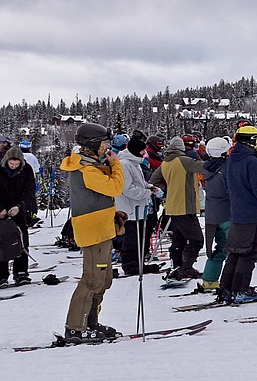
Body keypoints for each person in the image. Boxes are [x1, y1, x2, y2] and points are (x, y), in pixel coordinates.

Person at [60, 123, 124, 343]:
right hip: (94, 230)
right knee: (92, 280)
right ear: (93, 144)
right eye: (104, 143)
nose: (107, 147)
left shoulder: (92, 164)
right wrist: (117, 165)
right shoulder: (86, 169)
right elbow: (115, 187)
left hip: (102, 227)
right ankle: (76, 327)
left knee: (104, 280)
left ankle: (91, 321)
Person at [219, 125, 257, 304]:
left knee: (235, 252)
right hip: (252, 214)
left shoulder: (230, 159)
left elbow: (227, 184)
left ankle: (226, 289)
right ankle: (241, 289)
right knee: (248, 253)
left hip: (237, 211)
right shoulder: (252, 161)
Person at [150, 136, 205, 280]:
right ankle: (186, 267)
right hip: (186, 206)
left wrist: (167, 190)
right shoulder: (184, 160)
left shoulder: (165, 163)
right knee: (196, 240)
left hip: (172, 206)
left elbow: (154, 180)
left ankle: (177, 265)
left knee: (178, 240)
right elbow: (204, 167)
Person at [114, 136, 161, 277]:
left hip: (139, 208)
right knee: (132, 239)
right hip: (129, 209)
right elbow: (127, 188)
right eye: (142, 151)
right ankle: (129, 265)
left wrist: (150, 187)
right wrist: (146, 193)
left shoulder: (134, 163)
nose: (144, 154)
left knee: (141, 237)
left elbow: (139, 182)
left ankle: (139, 263)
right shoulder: (124, 164)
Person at [0, 145, 37, 286]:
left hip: (18, 208)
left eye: (16, 164)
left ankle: (21, 272)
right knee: (2, 241)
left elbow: (29, 192)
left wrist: (20, 206)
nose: (14, 166)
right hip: (2, 208)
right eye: (11, 164)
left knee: (21, 239)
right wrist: (1, 209)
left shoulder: (26, 170)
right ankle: (1, 275)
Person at [199, 136, 232, 294]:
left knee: (219, 248)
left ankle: (210, 278)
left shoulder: (207, 167)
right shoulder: (226, 169)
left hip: (212, 212)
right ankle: (231, 280)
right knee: (231, 246)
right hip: (226, 212)